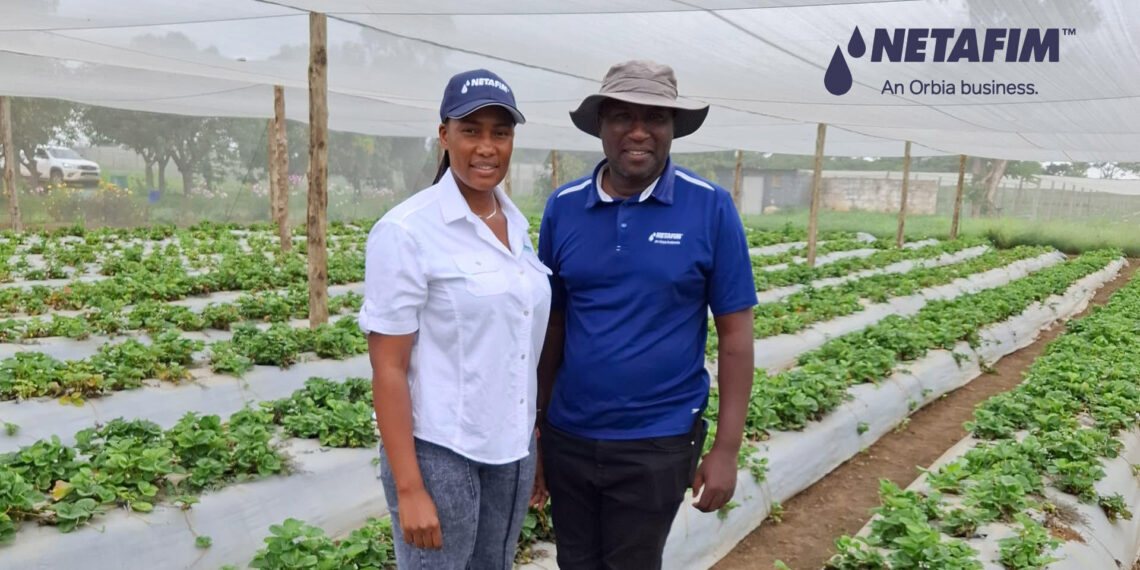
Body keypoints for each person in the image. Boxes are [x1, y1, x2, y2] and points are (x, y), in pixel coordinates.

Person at [536, 60, 757, 569]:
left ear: (672, 126)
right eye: (622, 116)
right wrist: (539, 428)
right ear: (601, 125)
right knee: (574, 562)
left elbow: (735, 335)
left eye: (655, 118)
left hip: (657, 439)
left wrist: (726, 449)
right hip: (570, 435)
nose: (638, 132)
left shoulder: (710, 207)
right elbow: (552, 325)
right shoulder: (563, 207)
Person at [359, 69, 551, 570]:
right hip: (441, 451)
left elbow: (518, 344)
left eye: (500, 132)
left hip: (511, 450)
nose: (487, 147)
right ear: (444, 136)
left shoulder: (517, 225)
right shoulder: (406, 231)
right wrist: (410, 489)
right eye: (471, 131)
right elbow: (388, 367)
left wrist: (531, 437)